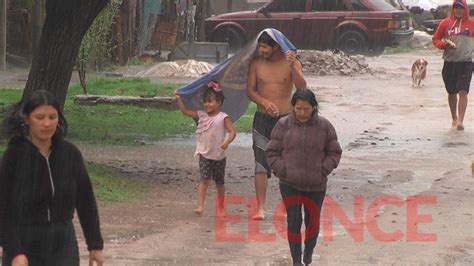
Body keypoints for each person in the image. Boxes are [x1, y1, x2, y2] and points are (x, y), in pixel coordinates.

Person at [0, 90, 104, 266]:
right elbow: (3, 206)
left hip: (63, 245)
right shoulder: (14, 156)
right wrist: (15, 250)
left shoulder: (70, 154)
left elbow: (86, 201)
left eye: (52, 117)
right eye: (39, 117)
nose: (47, 123)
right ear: (27, 119)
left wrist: (95, 245)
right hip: (24, 244)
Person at [266, 89, 342, 266]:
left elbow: (335, 152)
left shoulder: (325, 126)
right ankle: (296, 261)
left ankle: (308, 254)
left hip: (316, 185)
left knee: (312, 223)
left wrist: (324, 169)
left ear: (314, 107)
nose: (301, 113)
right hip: (289, 183)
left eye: (306, 109)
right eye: (298, 108)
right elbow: (271, 152)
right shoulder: (283, 125)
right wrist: (282, 170)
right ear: (292, 107)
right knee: (293, 221)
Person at [247, 31, 307, 220]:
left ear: (276, 47)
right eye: (260, 46)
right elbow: (250, 90)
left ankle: (290, 206)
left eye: (265, 47)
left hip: (286, 121)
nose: (261, 50)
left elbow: (303, 88)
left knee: (288, 165)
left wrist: (293, 67)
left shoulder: (292, 61)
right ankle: (261, 208)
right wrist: (263, 102)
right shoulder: (256, 63)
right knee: (260, 163)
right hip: (262, 119)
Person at [174, 81, 236, 216]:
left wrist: (226, 142)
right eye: (205, 102)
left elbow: (232, 132)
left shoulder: (223, 117)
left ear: (219, 102)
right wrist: (179, 98)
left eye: (210, 101)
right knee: (204, 179)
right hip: (204, 154)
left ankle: (221, 207)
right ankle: (200, 206)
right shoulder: (201, 115)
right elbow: (185, 111)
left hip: (219, 156)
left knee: (220, 182)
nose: (207, 104)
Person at [432, 0, 474, 131]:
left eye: (461, 8)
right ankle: (454, 118)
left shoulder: (472, 24)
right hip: (449, 62)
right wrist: (443, 45)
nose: (459, 10)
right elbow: (435, 39)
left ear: (465, 9)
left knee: (463, 90)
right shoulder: (445, 23)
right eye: (456, 8)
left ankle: (460, 121)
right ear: (453, 9)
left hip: (466, 62)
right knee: (451, 91)